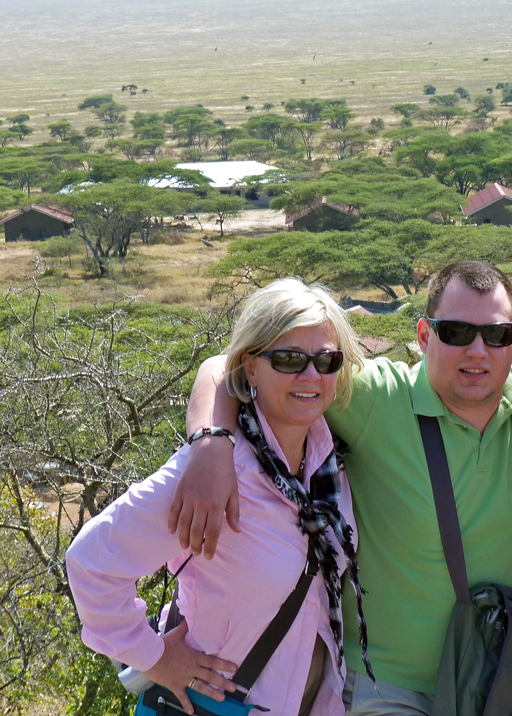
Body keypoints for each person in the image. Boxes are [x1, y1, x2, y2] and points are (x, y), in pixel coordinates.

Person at [171, 261, 512, 715]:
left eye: (496, 335)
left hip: (494, 681)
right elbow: (226, 367)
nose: (477, 351)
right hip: (388, 687)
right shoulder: (376, 400)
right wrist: (212, 444)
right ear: (425, 335)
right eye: (456, 333)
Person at [66, 278, 371, 716]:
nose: (310, 376)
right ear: (251, 368)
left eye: (326, 360)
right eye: (288, 359)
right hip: (217, 706)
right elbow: (90, 561)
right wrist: (155, 657)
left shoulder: (327, 467)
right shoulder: (220, 474)